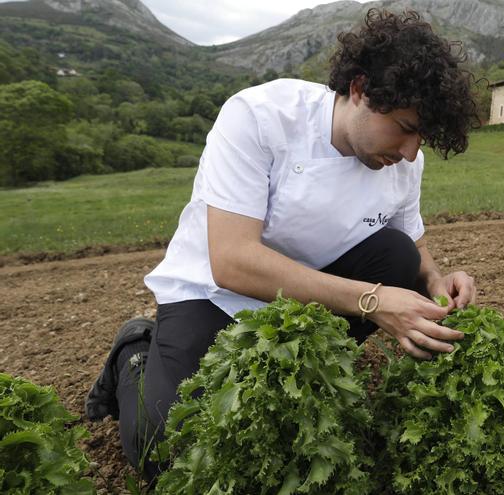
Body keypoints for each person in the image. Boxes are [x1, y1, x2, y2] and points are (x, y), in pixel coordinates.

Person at [84, 9, 481, 482]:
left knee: (398, 255)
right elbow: (232, 262)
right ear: (359, 89)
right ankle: (135, 350)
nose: (411, 152)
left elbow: (409, 236)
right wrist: (371, 300)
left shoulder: (402, 161)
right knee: (164, 451)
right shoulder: (260, 116)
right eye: (404, 126)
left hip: (306, 299)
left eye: (422, 138)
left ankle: (308, 371)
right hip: (214, 294)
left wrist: (435, 278)